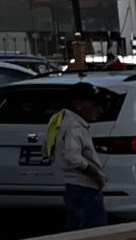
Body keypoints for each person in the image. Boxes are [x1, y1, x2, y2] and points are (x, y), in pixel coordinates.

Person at [44, 82, 109, 230]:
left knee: (75, 231)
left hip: (76, 189)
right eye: (95, 104)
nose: (100, 110)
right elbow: (71, 157)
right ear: (78, 104)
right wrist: (95, 174)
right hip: (84, 189)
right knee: (93, 234)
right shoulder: (74, 126)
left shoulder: (66, 122)